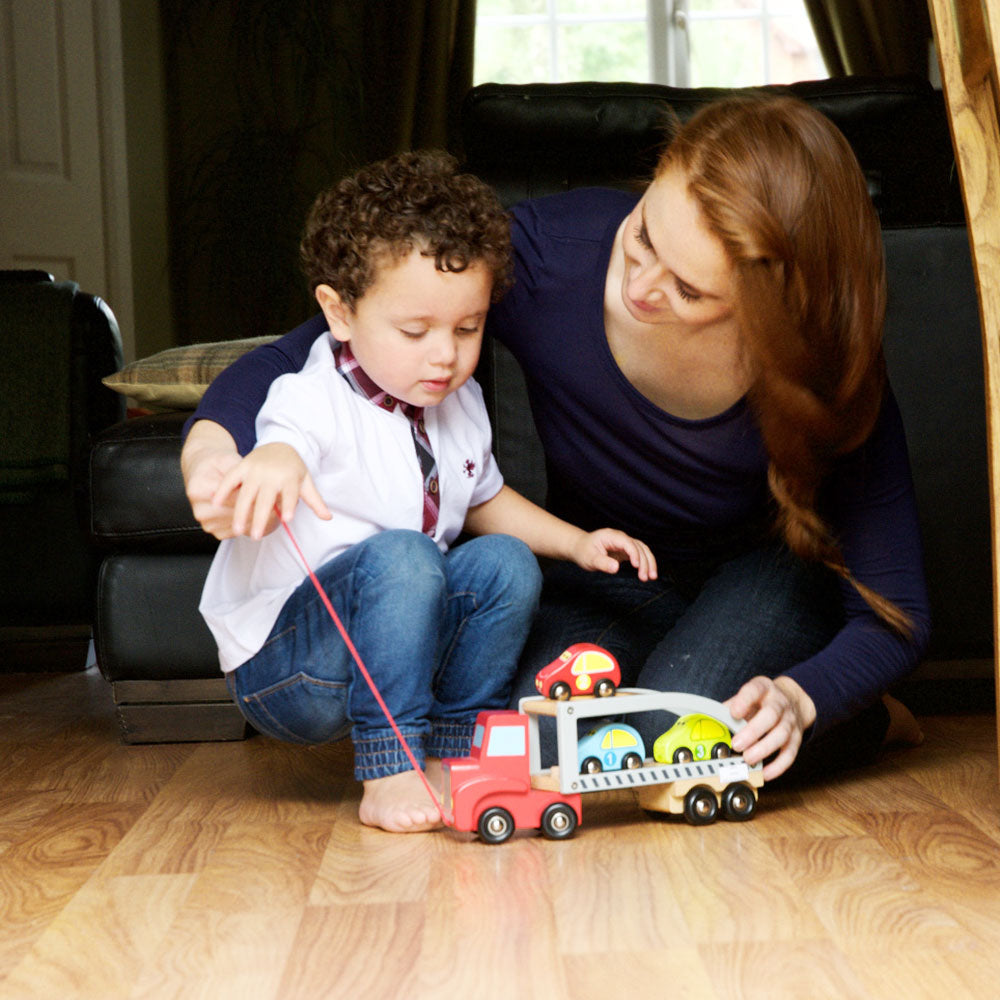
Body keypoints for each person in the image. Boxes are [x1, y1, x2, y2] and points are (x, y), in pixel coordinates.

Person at [183, 95, 930, 791]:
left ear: (773, 301)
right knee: (521, 742)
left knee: (673, 740)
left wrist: (806, 696)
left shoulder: (820, 362)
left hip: (759, 579)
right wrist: (214, 456)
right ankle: (693, 669)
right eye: (643, 236)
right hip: (606, 575)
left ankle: (859, 720)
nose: (640, 287)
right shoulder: (548, 258)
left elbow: (897, 615)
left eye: (690, 291)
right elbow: (310, 352)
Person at [196, 150, 656, 834]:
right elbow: (283, 440)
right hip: (291, 668)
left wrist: (577, 543)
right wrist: (272, 462)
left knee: (505, 562)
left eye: (468, 329)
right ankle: (389, 765)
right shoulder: (312, 395)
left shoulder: (456, 401)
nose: (446, 354)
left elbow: (484, 499)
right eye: (415, 331)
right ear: (339, 313)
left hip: (399, 650)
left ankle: (450, 749)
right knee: (405, 555)